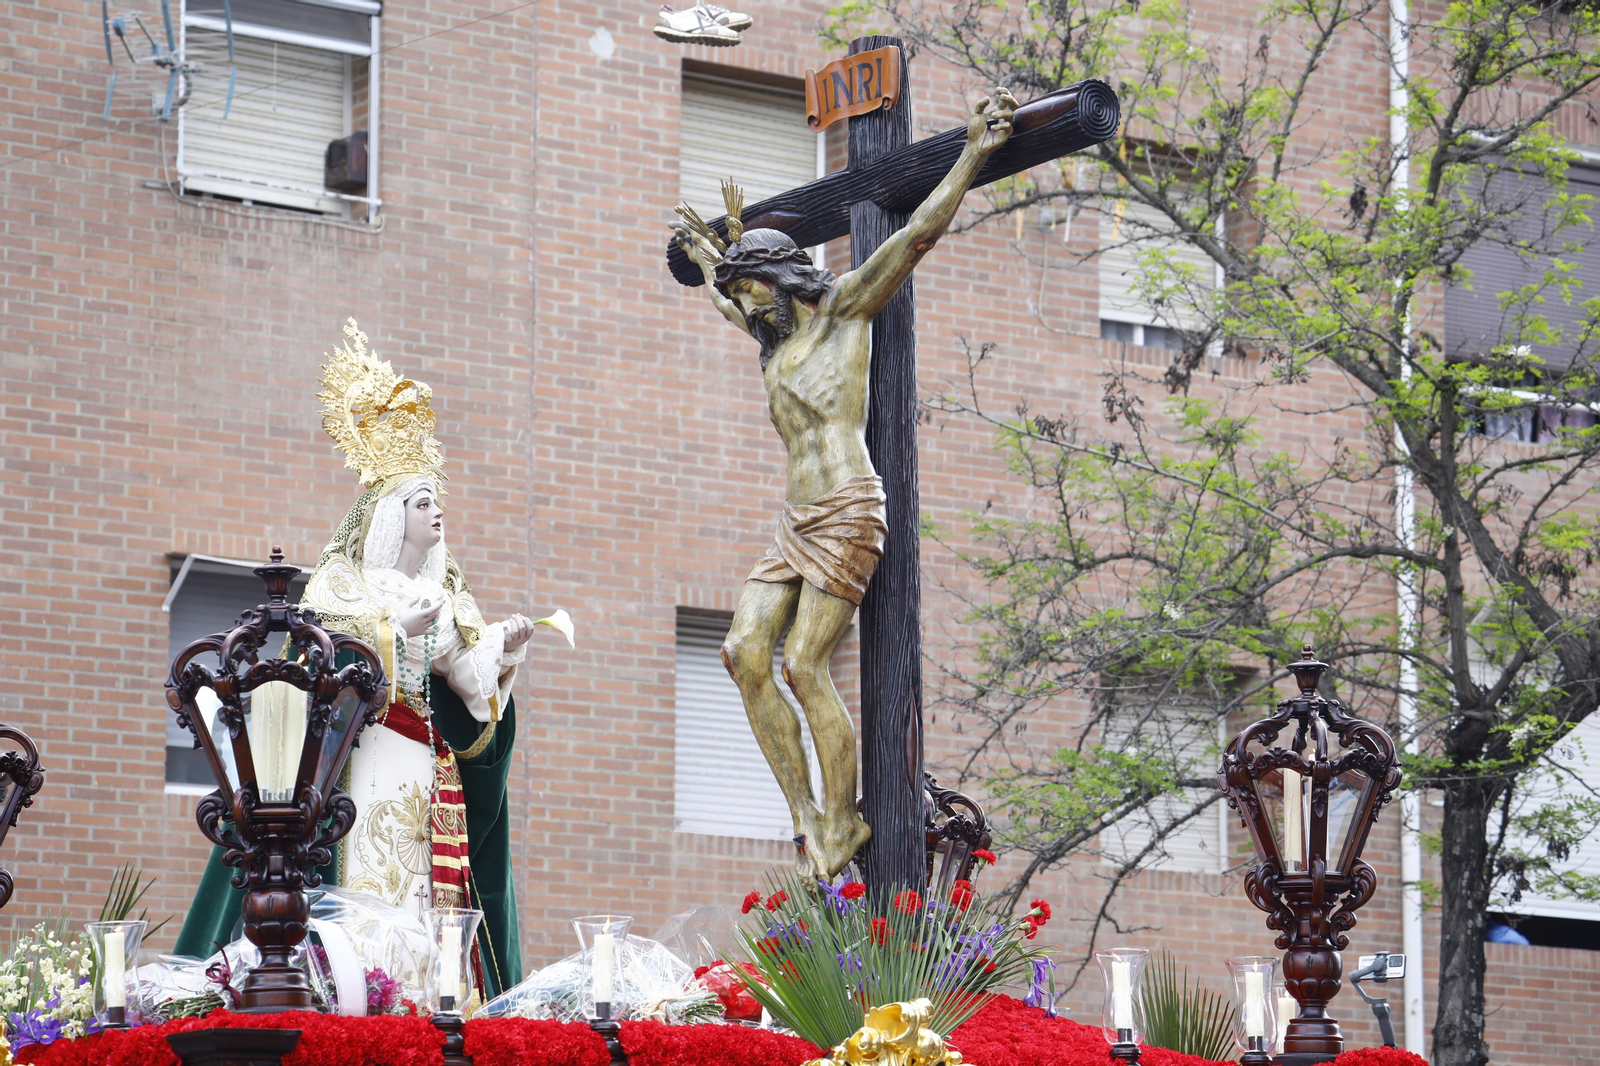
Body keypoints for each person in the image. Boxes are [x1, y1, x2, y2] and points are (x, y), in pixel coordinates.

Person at [669, 87, 1018, 879]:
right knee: (741, 652)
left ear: (780, 280)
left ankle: (841, 816)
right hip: (794, 519)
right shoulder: (771, 339)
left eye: (751, 290)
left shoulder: (844, 311)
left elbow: (919, 235)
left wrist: (972, 152)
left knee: (804, 663)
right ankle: (804, 817)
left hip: (849, 509)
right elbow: (733, 307)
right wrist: (707, 265)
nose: (746, 309)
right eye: (741, 299)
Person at [175, 320, 568, 1000]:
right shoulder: (343, 585)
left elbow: (465, 681)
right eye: (423, 503)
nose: (436, 512)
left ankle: (421, 998)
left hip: (425, 767)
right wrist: (389, 632)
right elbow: (325, 665)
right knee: (367, 882)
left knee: (421, 885)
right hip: (369, 757)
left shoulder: (445, 589)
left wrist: (499, 650)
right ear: (392, 516)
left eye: (437, 501)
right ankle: (361, 988)